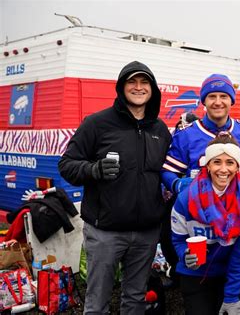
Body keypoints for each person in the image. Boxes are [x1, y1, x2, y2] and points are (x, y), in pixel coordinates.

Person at [58, 61, 171, 314]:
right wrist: (93, 170)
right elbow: (66, 165)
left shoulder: (160, 130)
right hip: (105, 233)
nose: (138, 87)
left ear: (153, 89)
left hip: (146, 233)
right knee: (97, 303)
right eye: (132, 82)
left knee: (135, 300)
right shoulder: (97, 123)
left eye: (144, 83)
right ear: (121, 88)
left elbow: (167, 173)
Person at [171, 133, 240, 315]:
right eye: (217, 162)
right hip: (195, 274)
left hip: (231, 271)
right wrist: (184, 254)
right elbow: (178, 239)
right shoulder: (185, 198)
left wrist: (232, 296)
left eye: (230, 162)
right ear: (208, 165)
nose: (223, 169)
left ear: (237, 167)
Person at [161, 73, 240, 195]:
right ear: (204, 101)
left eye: (223, 96)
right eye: (212, 96)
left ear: (231, 100)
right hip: (199, 207)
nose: (218, 102)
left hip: (235, 207)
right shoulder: (186, 134)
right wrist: (176, 184)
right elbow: (167, 171)